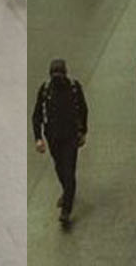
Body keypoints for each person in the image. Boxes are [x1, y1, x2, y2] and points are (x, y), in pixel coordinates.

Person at [33, 59, 89, 227]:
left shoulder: (74, 88)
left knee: (69, 171)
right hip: (53, 137)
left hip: (71, 136)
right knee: (59, 167)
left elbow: (83, 110)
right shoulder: (45, 90)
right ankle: (67, 192)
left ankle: (66, 210)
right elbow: (36, 116)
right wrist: (38, 138)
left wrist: (83, 131)